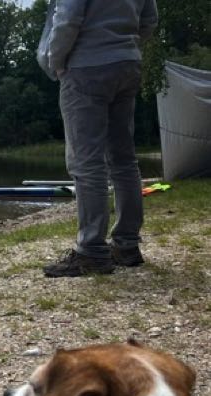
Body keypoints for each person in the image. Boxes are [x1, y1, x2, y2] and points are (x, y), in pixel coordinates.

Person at [39, 0, 158, 278]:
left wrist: (56, 62)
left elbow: (67, 18)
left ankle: (91, 250)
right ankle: (126, 245)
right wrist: (125, 46)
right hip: (127, 64)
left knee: (86, 161)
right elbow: (150, 20)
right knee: (123, 158)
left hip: (85, 66)